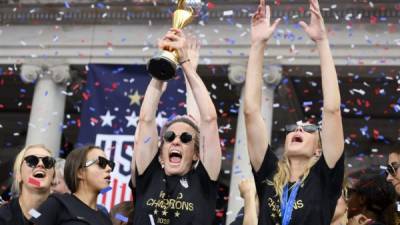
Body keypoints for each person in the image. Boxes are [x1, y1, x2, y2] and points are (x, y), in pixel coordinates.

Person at [244, 0, 345, 224]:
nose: (298, 128)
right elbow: (251, 111)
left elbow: (331, 110)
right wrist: (258, 45)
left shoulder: (324, 177)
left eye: (309, 129)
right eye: (293, 128)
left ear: (319, 148)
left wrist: (321, 41)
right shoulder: (269, 174)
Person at [131, 29, 222, 225]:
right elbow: (146, 119)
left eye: (186, 138)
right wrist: (164, 63)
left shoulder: (204, 182)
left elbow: (209, 119)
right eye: (170, 137)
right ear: (161, 150)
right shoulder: (149, 175)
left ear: (197, 154)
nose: (176, 141)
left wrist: (185, 63)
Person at [31, 145, 113, 225]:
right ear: (80, 172)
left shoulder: (106, 219)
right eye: (101, 163)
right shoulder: (56, 204)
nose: (109, 168)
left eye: (110, 164)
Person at [0, 144, 56, 225]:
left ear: (53, 177)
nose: (41, 164)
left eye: (48, 161)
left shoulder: (66, 218)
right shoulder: (3, 217)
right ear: (19, 175)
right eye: (31, 160)